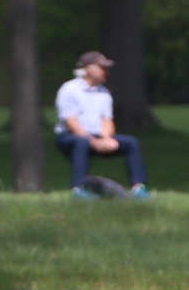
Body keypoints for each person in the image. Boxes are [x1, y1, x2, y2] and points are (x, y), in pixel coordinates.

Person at [54, 51, 151, 199]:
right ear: (88, 69)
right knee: (82, 142)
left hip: (96, 137)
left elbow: (107, 121)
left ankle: (139, 189)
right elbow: (71, 122)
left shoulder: (104, 93)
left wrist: (106, 139)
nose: (106, 71)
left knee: (131, 143)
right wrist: (93, 141)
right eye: (102, 67)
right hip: (70, 136)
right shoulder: (69, 89)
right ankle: (78, 190)